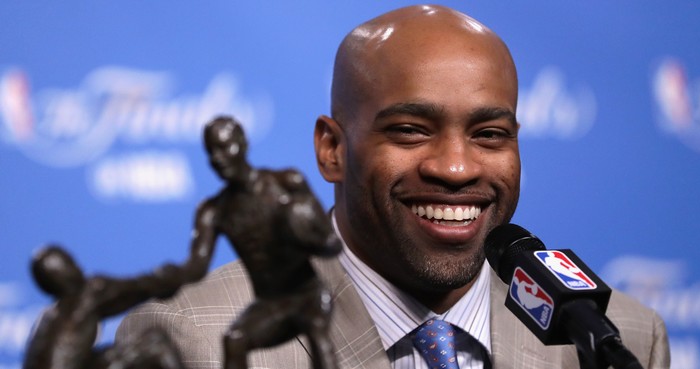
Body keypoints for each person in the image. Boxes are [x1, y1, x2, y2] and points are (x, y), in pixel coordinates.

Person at [116, 5, 670, 369]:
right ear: (332, 149)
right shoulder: (191, 342)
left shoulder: (617, 337)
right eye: (410, 131)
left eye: (489, 134)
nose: (456, 168)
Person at [180, 116, 342, 369]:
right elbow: (194, 268)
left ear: (242, 144)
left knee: (317, 332)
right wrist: (144, 285)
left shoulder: (287, 184)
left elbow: (331, 244)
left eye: (225, 147)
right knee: (234, 339)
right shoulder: (214, 211)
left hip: (308, 294)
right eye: (212, 152)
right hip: (270, 302)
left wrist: (304, 235)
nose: (219, 158)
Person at [25, 245, 187, 369]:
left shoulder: (44, 322)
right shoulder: (90, 294)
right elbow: (187, 273)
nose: (79, 267)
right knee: (155, 344)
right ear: (63, 274)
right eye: (72, 263)